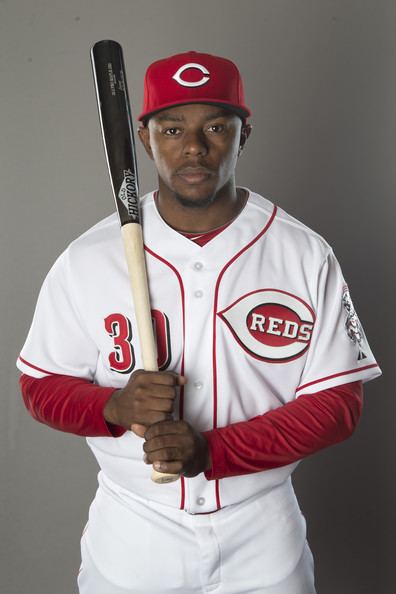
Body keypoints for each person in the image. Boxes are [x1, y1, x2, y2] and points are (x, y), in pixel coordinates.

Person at [17, 50, 381, 594]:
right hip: (133, 525)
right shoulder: (88, 258)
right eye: (171, 128)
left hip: (262, 525)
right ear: (145, 139)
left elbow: (337, 407)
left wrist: (214, 451)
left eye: (215, 126)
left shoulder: (303, 254)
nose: (193, 147)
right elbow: (38, 386)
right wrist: (112, 406)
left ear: (244, 134)